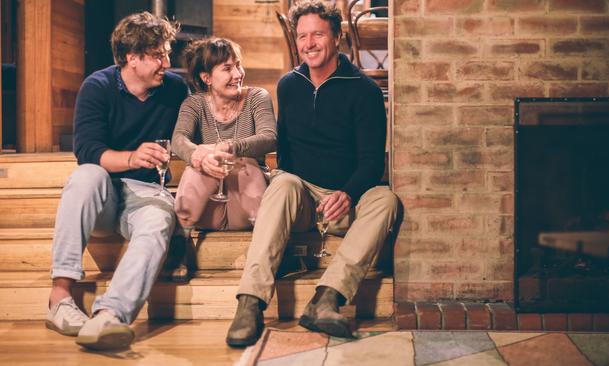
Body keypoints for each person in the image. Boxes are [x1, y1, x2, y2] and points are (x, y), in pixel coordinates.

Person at [226, 0, 398, 347]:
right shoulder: (289, 85)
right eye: (302, 36)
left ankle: (327, 299)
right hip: (302, 198)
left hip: (345, 201)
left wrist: (348, 193)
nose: (309, 43)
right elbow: (286, 151)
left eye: (318, 34)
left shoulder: (363, 90)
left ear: (336, 37)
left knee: (387, 199)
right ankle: (250, 304)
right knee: (283, 180)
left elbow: (371, 163)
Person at [45, 12, 188, 350]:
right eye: (157, 55)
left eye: (167, 52)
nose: (166, 62)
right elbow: (88, 150)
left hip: (148, 191)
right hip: (104, 193)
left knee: (159, 219)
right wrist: (132, 157)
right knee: (86, 175)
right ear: (131, 58)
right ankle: (60, 297)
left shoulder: (175, 89)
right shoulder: (98, 86)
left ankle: (110, 315)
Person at [172, 38, 276, 233]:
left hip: (249, 201)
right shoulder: (194, 104)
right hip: (208, 204)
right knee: (203, 163)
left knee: (244, 163)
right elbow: (178, 140)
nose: (237, 74)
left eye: (238, 65)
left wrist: (228, 147)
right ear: (207, 78)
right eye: (227, 69)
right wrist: (201, 156)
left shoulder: (256, 97)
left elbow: (269, 137)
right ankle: (180, 240)